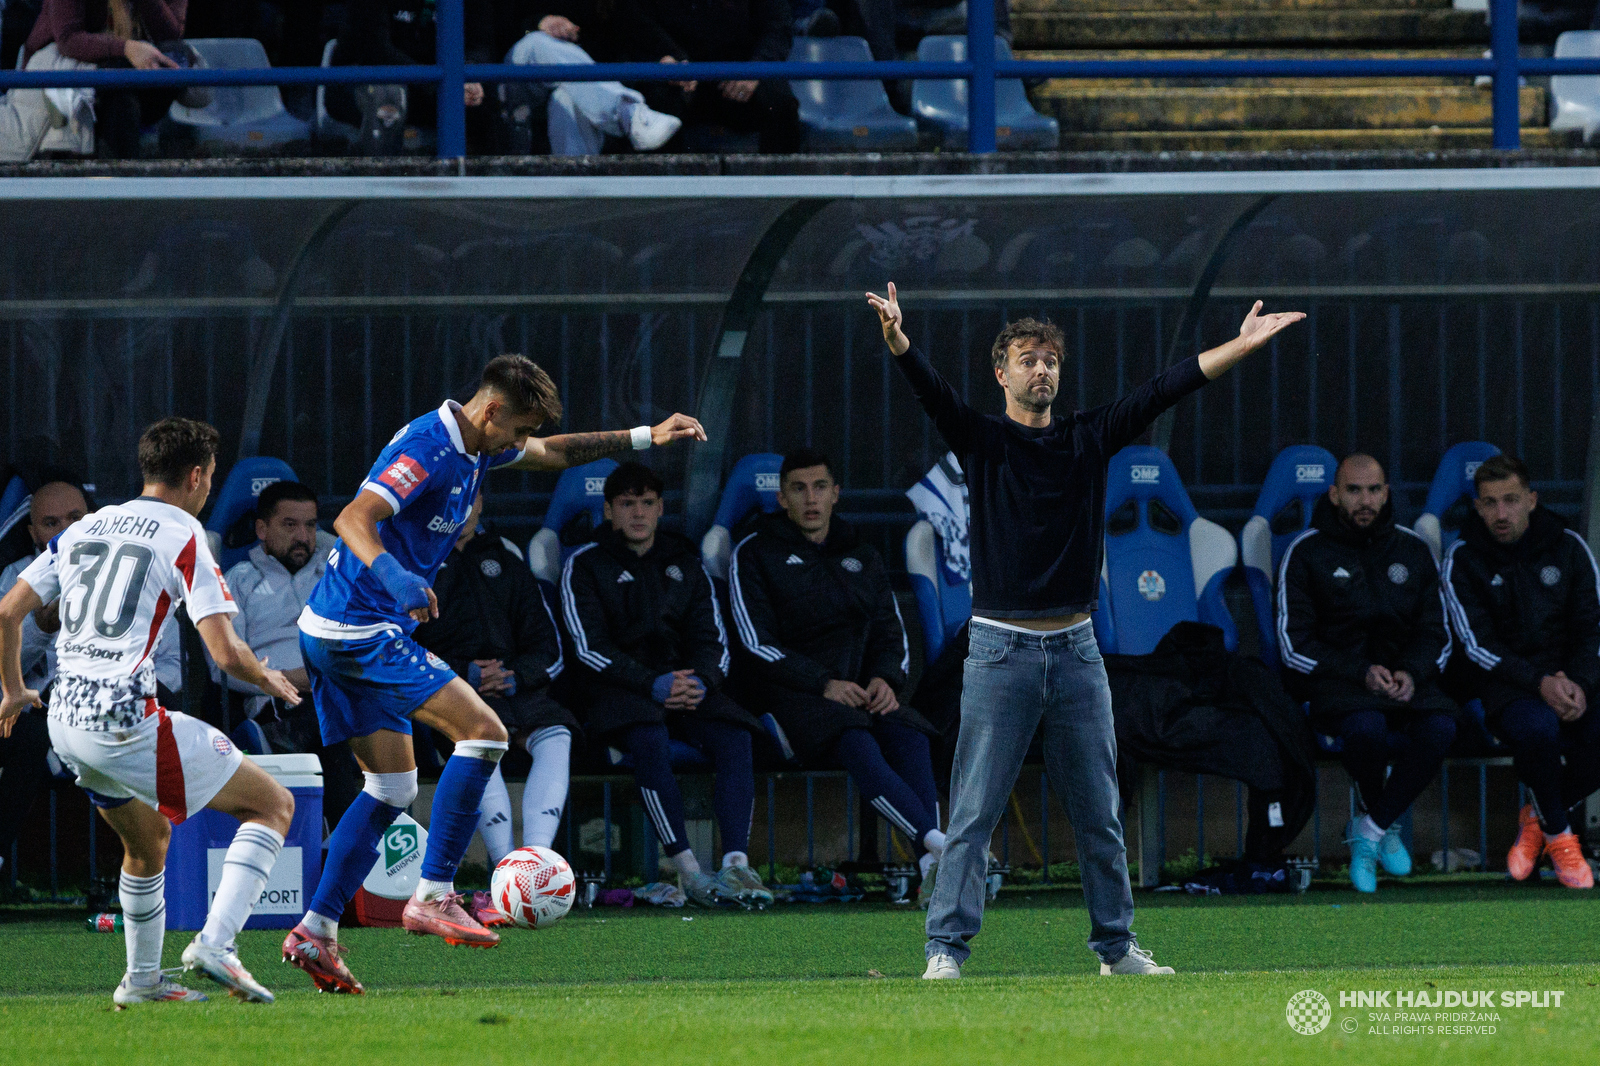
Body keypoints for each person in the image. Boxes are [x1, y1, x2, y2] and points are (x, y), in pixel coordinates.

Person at [868, 282, 1303, 978]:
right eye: (1026, 359)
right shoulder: (982, 439)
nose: (1040, 370)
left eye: (1050, 360)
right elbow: (930, 391)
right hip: (998, 648)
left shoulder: (1087, 436)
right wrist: (897, 336)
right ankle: (944, 949)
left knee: (1099, 813)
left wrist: (1240, 347)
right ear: (1002, 372)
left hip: (1076, 651)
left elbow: (1166, 388)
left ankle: (1115, 948)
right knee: (974, 813)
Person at [281, 353, 705, 994]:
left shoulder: (477, 444)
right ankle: (435, 893)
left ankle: (315, 929)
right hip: (358, 629)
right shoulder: (429, 446)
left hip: (336, 631)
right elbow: (352, 520)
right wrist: (398, 579)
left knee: (392, 788)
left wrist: (645, 436)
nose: (517, 444)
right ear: (492, 410)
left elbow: (555, 453)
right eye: (515, 429)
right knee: (485, 732)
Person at [0, 418, 302, 1006]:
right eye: (211, 478)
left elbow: (8, 611)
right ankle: (217, 944)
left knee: (148, 842)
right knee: (273, 805)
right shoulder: (185, 534)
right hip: (123, 718)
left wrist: (11, 691)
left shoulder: (87, 526)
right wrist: (264, 674)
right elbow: (224, 652)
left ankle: (140, 982)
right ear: (196, 476)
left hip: (64, 721)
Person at [728, 449, 946, 899]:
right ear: (781, 497)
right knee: (854, 737)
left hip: (859, 693)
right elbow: (754, 642)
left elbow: (892, 634)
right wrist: (823, 683)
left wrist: (886, 680)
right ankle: (944, 849)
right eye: (799, 489)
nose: (811, 499)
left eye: (820, 487)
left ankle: (933, 870)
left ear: (836, 495)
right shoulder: (753, 552)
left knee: (909, 731)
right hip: (789, 696)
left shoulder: (861, 553)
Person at [561, 461, 773, 907]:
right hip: (619, 693)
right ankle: (690, 871)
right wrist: (649, 683)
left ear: (660, 509)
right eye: (626, 504)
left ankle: (736, 864)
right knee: (649, 739)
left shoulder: (684, 561)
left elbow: (712, 637)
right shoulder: (585, 564)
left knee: (737, 735)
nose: (637, 513)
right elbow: (587, 647)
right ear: (608, 511)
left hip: (686, 688)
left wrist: (702, 679)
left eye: (647, 503)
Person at [1277, 453, 1457, 894]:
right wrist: (1359, 671)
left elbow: (1437, 630)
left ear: (1386, 493)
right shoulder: (1306, 551)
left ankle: (1371, 829)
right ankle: (1385, 824)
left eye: (1374, 490)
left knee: (1443, 727)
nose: (1365, 500)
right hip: (1343, 687)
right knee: (1366, 728)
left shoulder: (1414, 549)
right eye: (1354, 490)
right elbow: (1292, 643)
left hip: (1406, 685)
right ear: (1335, 494)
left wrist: (1412, 673)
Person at [413, 488, 578, 920]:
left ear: (483, 502)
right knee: (480, 740)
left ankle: (536, 866)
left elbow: (547, 642)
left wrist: (517, 675)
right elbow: (401, 644)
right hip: (446, 691)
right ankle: (504, 877)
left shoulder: (504, 555)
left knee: (556, 733)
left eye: (470, 498)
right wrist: (463, 673)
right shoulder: (415, 556)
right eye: (450, 500)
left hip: (513, 688)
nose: (461, 508)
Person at [1443, 453, 1600, 889]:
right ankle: (1561, 837)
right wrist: (1539, 683)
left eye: (1510, 500)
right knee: (1536, 728)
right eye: (1490, 503)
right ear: (1477, 507)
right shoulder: (1462, 558)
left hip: (1571, 680)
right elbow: (1476, 645)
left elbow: (1592, 629)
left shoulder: (1569, 547)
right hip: (1508, 686)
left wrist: (1581, 684)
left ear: (1531, 500)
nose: (1500, 513)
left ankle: (1538, 817)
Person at [219, 480, 361, 827]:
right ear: (261, 529)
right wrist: (301, 678)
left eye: (311, 525)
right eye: (289, 525)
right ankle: (346, 848)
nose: (303, 536)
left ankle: (340, 842)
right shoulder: (238, 580)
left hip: (339, 694)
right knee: (329, 724)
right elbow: (222, 669)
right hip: (278, 704)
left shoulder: (334, 575)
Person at [0, 480, 89, 886]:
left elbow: (170, 665)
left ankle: (164, 873)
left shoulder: (130, 568)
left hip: (106, 700)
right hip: (38, 708)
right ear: (34, 533)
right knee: (24, 728)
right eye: (52, 523)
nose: (67, 532)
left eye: (76, 518)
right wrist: (39, 623)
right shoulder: (14, 579)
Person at [3, 0, 198, 160]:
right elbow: (68, 39)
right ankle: (119, 184)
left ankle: (124, 184)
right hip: (58, 77)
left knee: (171, 59)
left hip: (120, 84)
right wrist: (126, 48)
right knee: (120, 85)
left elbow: (170, 38)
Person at [504, 1, 684, 155]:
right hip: (517, 81)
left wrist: (668, 57)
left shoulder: (606, 6)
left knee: (567, 95)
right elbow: (497, 30)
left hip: (576, 95)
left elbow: (644, 32)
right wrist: (540, 23)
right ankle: (628, 114)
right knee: (537, 41)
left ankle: (575, 183)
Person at [637, 0, 801, 153]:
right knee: (652, 108)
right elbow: (638, 18)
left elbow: (778, 27)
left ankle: (781, 180)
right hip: (679, 76)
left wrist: (755, 68)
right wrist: (666, 55)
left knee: (779, 102)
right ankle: (662, 181)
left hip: (741, 76)